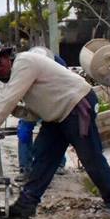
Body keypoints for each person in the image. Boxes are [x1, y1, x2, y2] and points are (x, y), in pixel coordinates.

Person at [0, 46, 110, 219]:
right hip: (57, 114)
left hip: (76, 104)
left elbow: (9, 98)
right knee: (43, 156)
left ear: (6, 57)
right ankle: (26, 205)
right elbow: (38, 108)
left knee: (89, 155)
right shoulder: (18, 73)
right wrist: (21, 112)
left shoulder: (24, 62)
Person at [17, 47, 68, 177]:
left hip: (53, 101)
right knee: (24, 132)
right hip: (32, 101)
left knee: (58, 131)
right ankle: (25, 167)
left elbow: (65, 88)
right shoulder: (23, 64)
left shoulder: (59, 64)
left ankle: (59, 163)